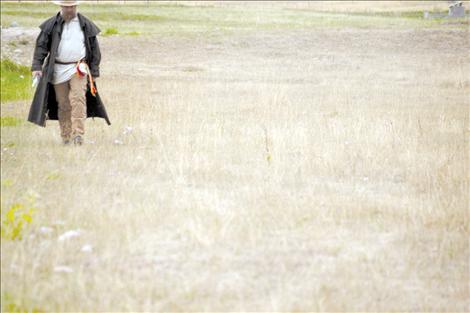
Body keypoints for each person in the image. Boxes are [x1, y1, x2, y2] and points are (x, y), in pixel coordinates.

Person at [28, 0, 110, 145]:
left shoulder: (85, 24)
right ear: (61, 6)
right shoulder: (50, 25)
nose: (69, 9)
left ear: (76, 6)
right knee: (64, 103)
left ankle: (78, 134)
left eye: (72, 6)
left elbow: (95, 49)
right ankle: (66, 136)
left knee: (78, 99)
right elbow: (41, 46)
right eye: (66, 7)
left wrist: (94, 70)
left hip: (78, 69)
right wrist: (36, 67)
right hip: (57, 70)